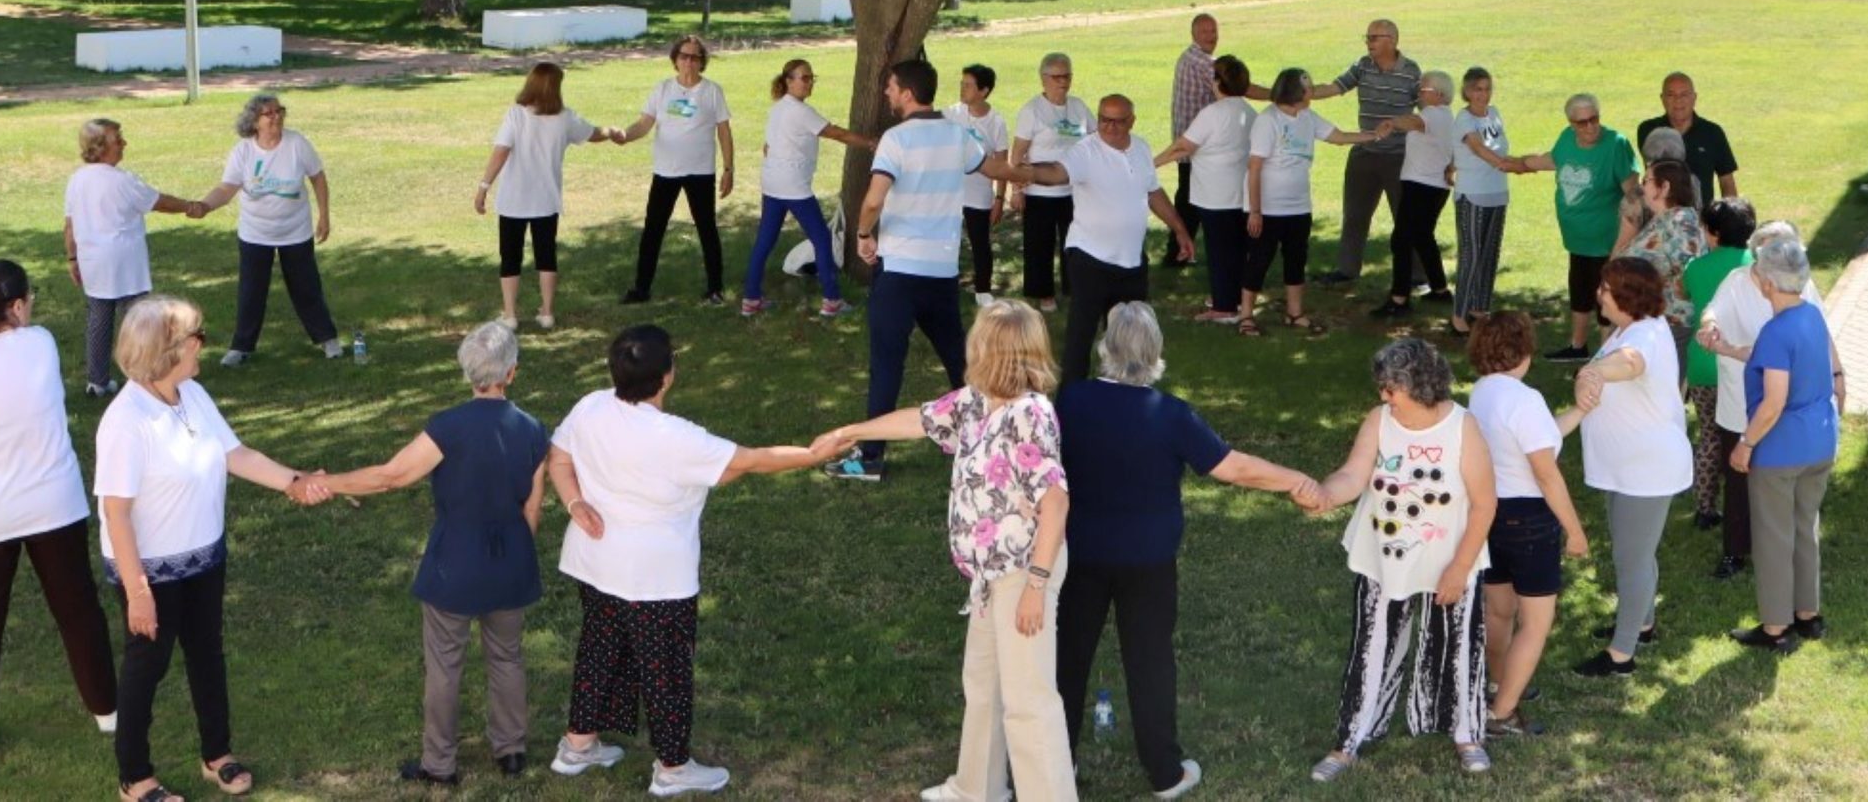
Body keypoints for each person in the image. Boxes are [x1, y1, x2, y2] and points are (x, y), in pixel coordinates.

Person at [544, 325, 853, 796]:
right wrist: (813, 454)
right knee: (665, 671)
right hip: (656, 578)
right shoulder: (677, 437)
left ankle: (578, 745)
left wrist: (573, 503)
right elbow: (751, 460)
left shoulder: (591, 406)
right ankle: (672, 769)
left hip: (595, 562)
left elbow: (559, 458)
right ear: (666, 377)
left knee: (600, 649)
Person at [1049, 302, 1318, 798]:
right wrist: (1296, 481)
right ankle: (1164, 772)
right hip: (1148, 560)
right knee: (1150, 661)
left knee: (1067, 659)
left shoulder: (1073, 401)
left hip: (1080, 553)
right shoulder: (1170, 414)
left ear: (1105, 349)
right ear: (1155, 355)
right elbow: (1233, 467)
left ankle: (1050, 768)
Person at [821, 302, 1077, 802]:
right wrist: (850, 432)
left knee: (1029, 701)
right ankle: (975, 788)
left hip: (1025, 570)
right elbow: (918, 421)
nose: (970, 345)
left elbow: (1057, 501)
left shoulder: (1031, 413)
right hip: (989, 576)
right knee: (982, 684)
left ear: (994, 350)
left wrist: (1036, 586)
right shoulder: (976, 401)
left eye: (979, 339)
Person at [96, 296, 334, 802]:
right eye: (194, 336)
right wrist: (138, 591)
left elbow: (236, 454)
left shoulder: (192, 395)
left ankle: (217, 755)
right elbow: (115, 512)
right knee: (148, 666)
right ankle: (134, 778)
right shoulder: (125, 420)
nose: (202, 342)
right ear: (165, 351)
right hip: (151, 570)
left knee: (207, 653)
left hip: (203, 555)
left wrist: (294, 481)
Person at [312, 322, 562, 786]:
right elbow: (533, 502)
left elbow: (390, 476)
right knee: (507, 657)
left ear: (468, 371)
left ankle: (440, 764)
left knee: (445, 664)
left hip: (455, 563)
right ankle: (511, 750)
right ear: (512, 373)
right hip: (511, 559)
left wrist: (329, 482)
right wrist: (517, 553)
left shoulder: (447, 427)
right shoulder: (531, 428)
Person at [0, 260, 118, 760]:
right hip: (52, 502)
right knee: (77, 608)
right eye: (29, 300)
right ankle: (107, 708)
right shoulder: (41, 344)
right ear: (15, 308)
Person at [1301, 338, 1497, 782]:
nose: (1383, 397)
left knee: (1460, 649)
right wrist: (1327, 495)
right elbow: (1354, 473)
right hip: (1384, 559)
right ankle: (1348, 741)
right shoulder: (1380, 420)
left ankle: (1468, 736)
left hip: (1451, 559)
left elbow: (1485, 504)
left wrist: (1459, 568)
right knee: (1370, 648)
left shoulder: (1463, 428)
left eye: (1391, 389)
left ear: (1421, 387)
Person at [980, 93, 1191, 382]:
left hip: (1131, 261)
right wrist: (1025, 172)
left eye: (1118, 121)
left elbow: (1153, 192)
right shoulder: (1085, 151)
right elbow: (1056, 172)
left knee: (1132, 337)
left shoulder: (1141, 149)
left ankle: (1129, 395)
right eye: (1104, 119)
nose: (1110, 127)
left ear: (1132, 121)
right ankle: (1071, 401)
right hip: (1090, 259)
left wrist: (1179, 229)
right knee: (1081, 335)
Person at [841, 58, 981, 482]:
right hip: (940, 271)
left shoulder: (895, 140)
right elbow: (992, 166)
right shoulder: (958, 135)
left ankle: (870, 458)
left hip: (899, 269)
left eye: (890, 86)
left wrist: (864, 235)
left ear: (906, 92)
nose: (885, 92)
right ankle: (982, 442)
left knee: (887, 365)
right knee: (961, 362)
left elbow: (872, 199)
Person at [1556, 259, 1691, 678]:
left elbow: (1630, 363)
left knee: (1630, 558)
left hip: (1646, 471)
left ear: (1626, 297)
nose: (1599, 294)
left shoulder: (1644, 336)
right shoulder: (1627, 328)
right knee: (1634, 552)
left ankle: (1621, 655)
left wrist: (1592, 370)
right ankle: (1643, 623)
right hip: (1627, 467)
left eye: (1606, 289)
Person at [1464, 312, 1587, 738]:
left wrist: (1580, 412)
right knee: (1535, 623)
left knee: (1498, 612)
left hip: (1487, 514)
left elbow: (1539, 437)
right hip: (1529, 520)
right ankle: (1500, 714)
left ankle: (1498, 686)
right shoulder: (1525, 399)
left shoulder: (1480, 394)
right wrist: (1574, 530)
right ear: (1525, 352)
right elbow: (1545, 472)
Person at [1696, 220, 1835, 579]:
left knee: (1782, 479)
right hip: (1739, 398)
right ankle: (1736, 551)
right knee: (1739, 481)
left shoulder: (1800, 288)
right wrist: (1710, 326)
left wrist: (1838, 375)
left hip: (1783, 404)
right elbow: (1713, 309)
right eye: (1769, 252)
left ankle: (1784, 552)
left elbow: (1818, 332)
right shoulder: (1737, 281)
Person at [1723, 238, 1838, 652]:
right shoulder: (1812, 317)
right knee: (1806, 526)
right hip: (1820, 440)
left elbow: (1774, 402)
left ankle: (1775, 628)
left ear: (1767, 282)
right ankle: (1808, 615)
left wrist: (1746, 443)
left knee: (1774, 536)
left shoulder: (1775, 332)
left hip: (1781, 448)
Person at [1238, 69, 1389, 337]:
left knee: (1296, 260)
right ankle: (1246, 316)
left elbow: (1338, 137)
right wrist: (1256, 211)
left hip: (1299, 206)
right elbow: (1254, 167)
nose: (1313, 89)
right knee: (1258, 261)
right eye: (1308, 85)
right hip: (1268, 208)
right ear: (1295, 92)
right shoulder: (1268, 120)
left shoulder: (1307, 116)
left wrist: (1374, 135)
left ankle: (1294, 313)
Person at [64, 118, 205, 397]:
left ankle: (97, 381)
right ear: (101, 147)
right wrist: (190, 206)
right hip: (125, 263)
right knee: (140, 321)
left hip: (93, 262)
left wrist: (72, 258)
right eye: (118, 139)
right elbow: (158, 201)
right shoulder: (122, 181)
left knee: (99, 320)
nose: (124, 143)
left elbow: (69, 224)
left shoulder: (77, 179)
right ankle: (143, 374)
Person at [198, 94, 341, 366]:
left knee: (306, 287)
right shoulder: (243, 151)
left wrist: (324, 216)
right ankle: (241, 347)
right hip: (255, 233)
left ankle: (327, 339)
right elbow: (227, 188)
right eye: (269, 113)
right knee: (252, 291)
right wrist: (204, 206)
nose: (276, 117)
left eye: (279, 111)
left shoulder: (297, 143)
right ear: (254, 121)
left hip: (295, 231)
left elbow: (318, 177)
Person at [476, 62, 619, 330]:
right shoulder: (565, 118)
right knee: (546, 256)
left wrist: (484, 186)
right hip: (545, 200)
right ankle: (547, 312)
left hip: (513, 200)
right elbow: (593, 134)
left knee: (510, 256)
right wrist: (611, 132)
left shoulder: (515, 115)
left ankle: (509, 314)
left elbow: (500, 151)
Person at [742, 58, 873, 317]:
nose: (809, 83)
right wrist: (871, 143)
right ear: (788, 81)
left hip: (772, 184)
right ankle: (832, 301)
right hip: (793, 187)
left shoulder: (778, 108)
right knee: (822, 240)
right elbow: (837, 133)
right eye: (804, 78)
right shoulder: (801, 112)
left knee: (764, 243)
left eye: (811, 77)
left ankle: (751, 300)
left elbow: (767, 147)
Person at [1512, 94, 1637, 362]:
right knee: (1579, 291)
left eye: (1594, 119)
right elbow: (1553, 159)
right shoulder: (1567, 139)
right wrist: (1518, 164)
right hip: (1577, 239)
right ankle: (1577, 345)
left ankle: (1606, 352)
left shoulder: (1615, 144)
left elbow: (1633, 194)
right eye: (1582, 123)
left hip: (1607, 240)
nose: (1590, 127)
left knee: (1607, 296)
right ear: (1571, 124)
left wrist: (1627, 239)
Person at [1308, 19, 1425, 286]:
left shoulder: (1410, 71)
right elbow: (1334, 88)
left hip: (1399, 157)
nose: (1368, 42)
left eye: (1374, 38)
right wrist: (1302, 93)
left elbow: (1424, 114)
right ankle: (1347, 271)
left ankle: (1418, 276)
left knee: (1406, 218)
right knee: (1354, 216)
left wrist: (1400, 126)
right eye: (1367, 37)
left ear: (1392, 40)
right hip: (1364, 154)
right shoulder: (1362, 66)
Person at [620, 35, 735, 305]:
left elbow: (724, 132)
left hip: (700, 172)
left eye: (695, 57)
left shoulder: (712, 91)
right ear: (675, 60)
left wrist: (729, 169)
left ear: (702, 62)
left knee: (707, 228)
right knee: (653, 230)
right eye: (684, 56)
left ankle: (715, 288)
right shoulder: (662, 89)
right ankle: (641, 289)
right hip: (666, 172)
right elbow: (644, 125)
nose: (689, 62)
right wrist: (623, 135)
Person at [1154, 55, 1259, 323]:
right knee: (1236, 250)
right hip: (1242, 193)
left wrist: (1151, 164)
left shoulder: (1212, 113)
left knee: (1220, 251)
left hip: (1215, 195)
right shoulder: (1249, 112)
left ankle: (1224, 307)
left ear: (1217, 82)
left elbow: (1184, 146)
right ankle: (1233, 297)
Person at [1681, 199, 1757, 563]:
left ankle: (1705, 505)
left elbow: (1684, 293)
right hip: (1744, 365)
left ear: (1711, 233)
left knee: (1710, 436)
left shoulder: (1696, 267)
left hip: (1703, 361)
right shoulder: (1756, 269)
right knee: (1745, 436)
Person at [1010, 52, 1094, 311]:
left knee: (1075, 243)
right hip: (1039, 192)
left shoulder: (1078, 107)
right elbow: (1017, 154)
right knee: (1039, 246)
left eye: (1067, 75)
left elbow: (1094, 139)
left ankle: (1074, 287)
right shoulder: (1032, 110)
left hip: (1073, 191)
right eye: (1057, 77)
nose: (1063, 82)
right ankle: (1044, 293)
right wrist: (1017, 190)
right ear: (1043, 79)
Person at [1374, 70, 1457, 319]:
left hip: (1421, 186)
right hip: (1434, 186)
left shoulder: (1433, 114)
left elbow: (1414, 123)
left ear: (1439, 95)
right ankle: (1440, 289)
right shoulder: (1446, 117)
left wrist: (1391, 123)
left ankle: (1399, 299)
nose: (1419, 92)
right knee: (1422, 237)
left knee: (1401, 239)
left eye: (1424, 89)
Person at [1448, 68, 1520, 336]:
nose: (1483, 94)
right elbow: (1477, 148)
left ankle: (1480, 307)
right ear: (1466, 92)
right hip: (1473, 195)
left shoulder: (1495, 113)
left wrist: (1507, 164)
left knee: (1490, 253)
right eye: (1477, 89)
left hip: (1497, 193)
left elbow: (1497, 145)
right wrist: (1506, 164)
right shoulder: (1464, 118)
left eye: (1487, 88)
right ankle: (1459, 314)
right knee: (1472, 253)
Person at [949, 63, 1010, 305]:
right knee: (948, 242)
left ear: (984, 91)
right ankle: (946, 285)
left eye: (968, 85)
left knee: (980, 243)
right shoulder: (952, 113)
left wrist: (998, 199)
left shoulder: (996, 123)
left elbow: (1002, 163)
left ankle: (983, 289)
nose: (962, 89)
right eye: (961, 83)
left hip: (979, 195)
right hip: (951, 193)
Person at [1621, 160, 1707, 324]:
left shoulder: (1682, 224)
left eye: (1646, 181)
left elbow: (1688, 274)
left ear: (1664, 187)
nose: (1641, 187)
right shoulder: (1665, 218)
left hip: (1673, 324)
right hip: (1653, 319)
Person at [1164, 14, 1218, 266]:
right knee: (1190, 200)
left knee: (1190, 198)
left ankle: (1181, 252)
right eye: (1205, 31)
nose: (1211, 36)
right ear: (1194, 35)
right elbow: (1235, 86)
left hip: (1193, 144)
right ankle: (1177, 253)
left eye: (1214, 30)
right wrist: (1278, 95)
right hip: (1193, 146)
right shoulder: (1200, 60)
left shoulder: (1193, 57)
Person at [1636, 72, 1741, 201]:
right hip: (1660, 217)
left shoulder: (1713, 133)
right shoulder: (1648, 130)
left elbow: (1726, 181)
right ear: (1662, 98)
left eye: (1684, 95)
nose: (1678, 100)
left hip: (1702, 218)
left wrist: (1730, 217)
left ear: (1694, 98)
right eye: (1671, 95)